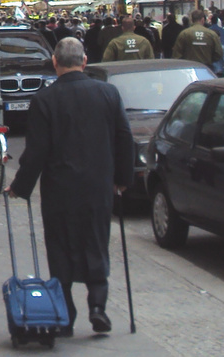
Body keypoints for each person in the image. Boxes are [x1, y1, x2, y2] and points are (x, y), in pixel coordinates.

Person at [7, 37, 134, 336]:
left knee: (60, 248)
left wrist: (20, 186)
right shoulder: (108, 93)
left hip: (60, 187)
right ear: (84, 61)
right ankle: (98, 306)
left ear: (55, 62)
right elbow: (123, 137)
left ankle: (66, 313)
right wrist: (122, 179)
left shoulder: (44, 100)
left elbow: (37, 151)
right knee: (96, 243)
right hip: (97, 185)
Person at [173, 10, 224, 75]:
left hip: (189, 69)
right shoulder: (212, 34)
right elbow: (219, 53)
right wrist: (210, 59)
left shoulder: (184, 34)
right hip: (206, 68)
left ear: (191, 20)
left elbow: (176, 54)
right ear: (203, 19)